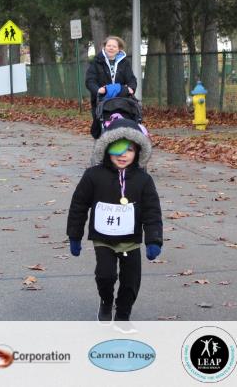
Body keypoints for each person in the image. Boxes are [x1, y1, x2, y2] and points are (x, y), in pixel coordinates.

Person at [66, 117, 162, 326]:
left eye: (129, 149)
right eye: (117, 149)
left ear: (138, 151)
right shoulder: (93, 176)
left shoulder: (144, 180)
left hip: (131, 240)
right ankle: (106, 300)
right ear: (106, 148)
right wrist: (75, 235)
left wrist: (154, 240)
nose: (123, 155)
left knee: (131, 281)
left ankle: (122, 315)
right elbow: (79, 205)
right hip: (103, 238)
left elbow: (152, 211)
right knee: (105, 275)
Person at [84, 35, 138, 138]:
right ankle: (101, 142)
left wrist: (131, 88)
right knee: (100, 124)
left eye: (114, 46)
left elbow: (131, 79)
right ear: (104, 47)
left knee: (126, 120)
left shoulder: (125, 63)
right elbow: (90, 80)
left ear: (119, 49)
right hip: (102, 99)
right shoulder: (96, 62)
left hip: (121, 99)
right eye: (109, 46)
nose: (111, 48)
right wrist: (98, 90)